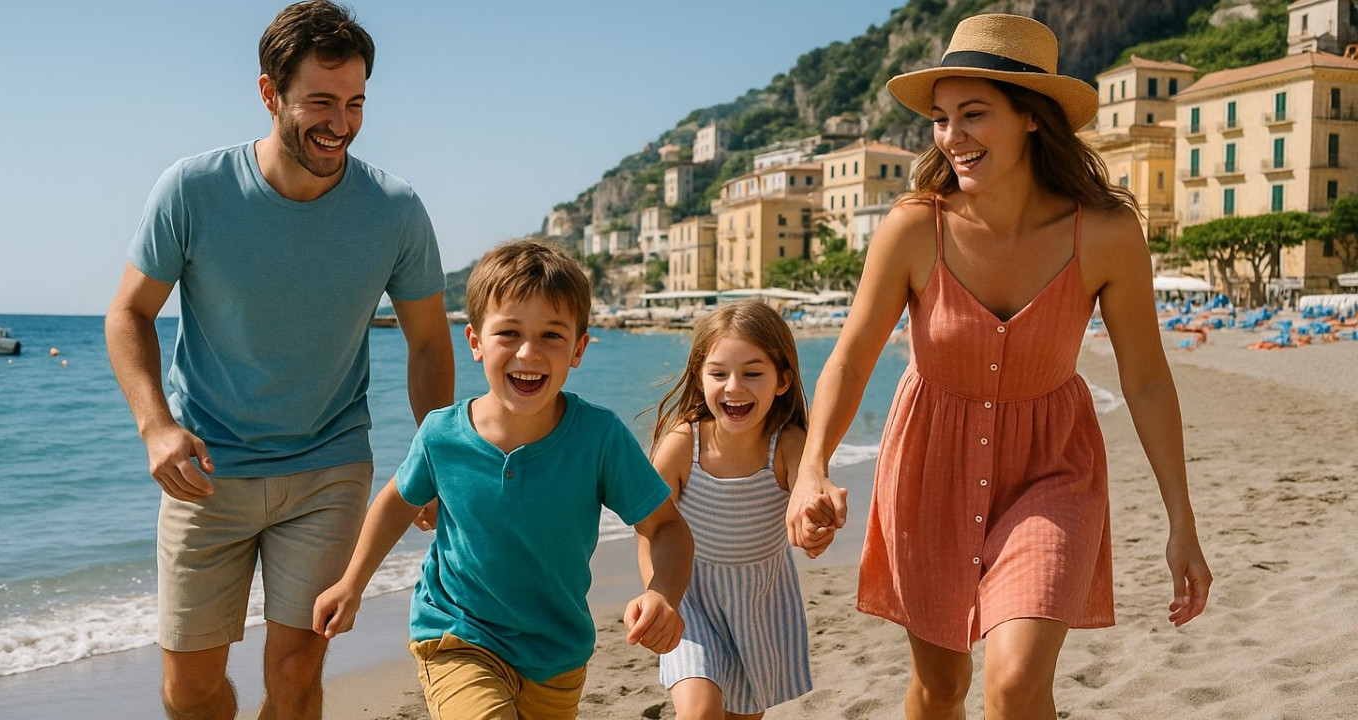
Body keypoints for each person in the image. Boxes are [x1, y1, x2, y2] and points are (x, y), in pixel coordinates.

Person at [785, 13, 1213, 719]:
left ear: (1032, 118)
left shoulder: (1104, 233)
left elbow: (1145, 379)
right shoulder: (914, 227)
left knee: (1014, 685)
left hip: (1055, 469)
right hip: (929, 467)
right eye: (942, 118)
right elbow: (852, 357)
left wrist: (1181, 522)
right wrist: (812, 470)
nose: (952, 136)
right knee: (942, 688)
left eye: (974, 114)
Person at [104, 2, 455, 718]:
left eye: (355, 102)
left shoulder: (394, 209)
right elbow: (128, 314)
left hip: (328, 468)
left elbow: (427, 341)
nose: (342, 123)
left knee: (296, 673)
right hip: (206, 470)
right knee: (190, 688)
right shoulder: (192, 190)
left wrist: (437, 457)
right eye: (321, 102)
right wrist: (156, 427)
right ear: (270, 94)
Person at [313, 239, 694, 720]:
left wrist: (662, 593)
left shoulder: (599, 438)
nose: (528, 353)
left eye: (552, 336)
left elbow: (666, 528)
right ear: (475, 342)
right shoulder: (441, 435)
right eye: (509, 333)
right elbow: (397, 501)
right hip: (457, 633)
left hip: (556, 653)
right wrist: (352, 583)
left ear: (578, 348)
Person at [645, 300, 813, 719]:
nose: (734, 386)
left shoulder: (788, 445)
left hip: (759, 603)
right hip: (690, 596)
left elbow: (808, 498)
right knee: (700, 712)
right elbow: (650, 527)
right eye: (719, 373)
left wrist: (814, 524)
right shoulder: (685, 445)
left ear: (782, 380)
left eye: (752, 373)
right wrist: (659, 594)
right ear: (700, 378)